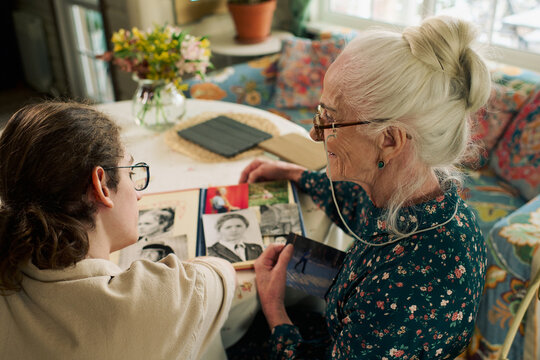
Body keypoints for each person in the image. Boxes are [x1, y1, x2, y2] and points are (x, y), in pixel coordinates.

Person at [239, 16, 490, 359]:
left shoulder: (408, 289)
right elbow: (360, 204)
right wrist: (298, 175)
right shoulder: (418, 195)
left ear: (389, 139)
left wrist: (275, 312)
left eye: (329, 119)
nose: (315, 133)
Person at [0, 101, 236, 359]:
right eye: (131, 171)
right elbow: (222, 273)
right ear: (100, 186)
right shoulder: (165, 297)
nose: (138, 195)